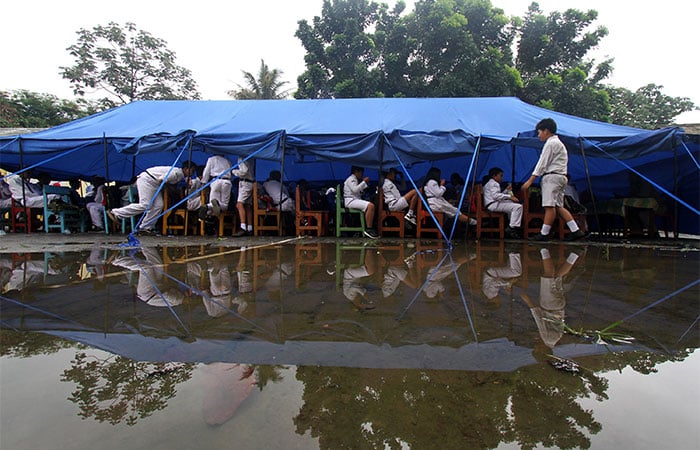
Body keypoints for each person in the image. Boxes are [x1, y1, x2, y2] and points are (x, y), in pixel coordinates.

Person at [521, 118, 585, 241]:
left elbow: (542, 163)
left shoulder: (551, 143)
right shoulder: (558, 143)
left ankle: (544, 234)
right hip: (560, 177)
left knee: (549, 206)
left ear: (546, 131)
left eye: (539, 132)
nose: (538, 135)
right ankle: (575, 230)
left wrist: (530, 180)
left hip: (552, 177)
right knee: (558, 206)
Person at [106, 161, 197, 235]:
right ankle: (116, 213)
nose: (192, 173)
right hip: (148, 180)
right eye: (192, 171)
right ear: (186, 169)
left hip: (154, 183)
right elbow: (162, 180)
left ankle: (145, 227)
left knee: (159, 205)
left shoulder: (179, 175)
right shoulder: (177, 173)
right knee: (145, 205)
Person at [520, 247, 580, 349]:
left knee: (557, 277)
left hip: (559, 307)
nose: (535, 346)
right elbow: (539, 319)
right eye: (536, 349)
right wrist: (528, 301)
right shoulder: (547, 339)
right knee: (548, 276)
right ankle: (544, 250)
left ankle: (576, 254)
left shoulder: (555, 339)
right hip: (549, 305)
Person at [483, 167, 523, 238]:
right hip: (493, 205)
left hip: (492, 204)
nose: (502, 178)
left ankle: (512, 224)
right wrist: (510, 196)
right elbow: (495, 196)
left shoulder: (490, 183)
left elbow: (496, 195)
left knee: (512, 204)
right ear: (494, 176)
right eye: (501, 176)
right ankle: (512, 228)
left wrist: (506, 191)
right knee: (518, 207)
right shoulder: (494, 184)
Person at [343, 166, 378, 238]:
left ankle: (369, 227)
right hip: (350, 200)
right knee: (370, 206)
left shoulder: (356, 179)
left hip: (355, 199)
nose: (362, 175)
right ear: (356, 172)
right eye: (361, 173)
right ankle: (368, 229)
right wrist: (364, 182)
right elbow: (355, 190)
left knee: (371, 204)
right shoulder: (351, 179)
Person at [198, 155, 233, 220]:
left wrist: (203, 182)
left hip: (215, 181)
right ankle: (210, 206)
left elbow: (206, 172)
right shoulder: (228, 161)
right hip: (226, 182)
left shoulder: (211, 159)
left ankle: (208, 206)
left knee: (213, 203)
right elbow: (231, 172)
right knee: (225, 206)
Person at [232, 156, 255, 237]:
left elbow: (244, 171)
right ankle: (250, 227)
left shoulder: (241, 158)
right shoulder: (251, 157)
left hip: (245, 182)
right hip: (251, 182)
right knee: (248, 206)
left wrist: (233, 172)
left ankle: (243, 227)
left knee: (239, 204)